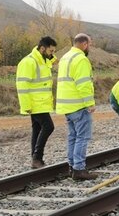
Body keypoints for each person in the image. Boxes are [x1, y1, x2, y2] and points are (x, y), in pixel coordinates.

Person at [56, 33, 98, 180]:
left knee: (73, 137)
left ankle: (72, 167)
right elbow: (83, 84)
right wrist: (90, 103)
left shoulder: (65, 58)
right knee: (82, 137)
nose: (89, 47)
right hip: (78, 105)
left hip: (66, 106)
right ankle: (79, 170)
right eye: (90, 44)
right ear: (85, 44)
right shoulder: (81, 59)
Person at [16, 36, 57, 169]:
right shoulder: (29, 62)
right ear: (42, 48)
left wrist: (51, 57)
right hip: (35, 103)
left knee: (37, 128)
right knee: (48, 126)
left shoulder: (42, 60)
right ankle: (37, 158)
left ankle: (35, 159)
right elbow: (22, 85)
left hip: (41, 102)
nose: (52, 54)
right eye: (51, 51)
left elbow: (51, 62)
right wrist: (26, 105)